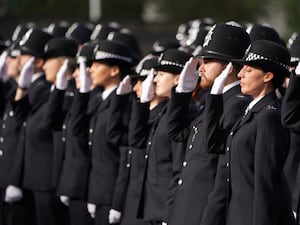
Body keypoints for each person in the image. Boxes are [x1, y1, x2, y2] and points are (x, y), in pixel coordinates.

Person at [166, 22, 251, 225]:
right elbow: (177, 132)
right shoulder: (217, 99)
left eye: (209, 60)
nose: (201, 67)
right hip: (187, 207)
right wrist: (182, 94)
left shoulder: (237, 103)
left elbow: (213, 150)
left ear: (230, 65)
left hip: (204, 210)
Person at [206, 39, 295, 225]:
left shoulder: (269, 117)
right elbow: (214, 144)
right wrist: (214, 98)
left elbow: (266, 183)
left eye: (248, 70)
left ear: (268, 76)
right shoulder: (248, 111)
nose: (240, 75)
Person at [5, 28, 70, 225]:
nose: (17, 60)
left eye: (23, 56)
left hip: (47, 178)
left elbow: (42, 126)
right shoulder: (34, 88)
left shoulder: (45, 89)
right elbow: (21, 120)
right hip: (31, 177)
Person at [73, 40, 133, 225]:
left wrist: (117, 202)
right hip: (97, 194)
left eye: (98, 65)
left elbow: (124, 157)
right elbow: (77, 130)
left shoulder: (125, 103)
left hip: (111, 196)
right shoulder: (99, 99)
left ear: (114, 71)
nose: (90, 69)